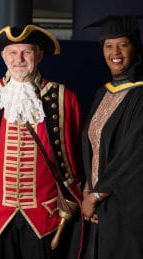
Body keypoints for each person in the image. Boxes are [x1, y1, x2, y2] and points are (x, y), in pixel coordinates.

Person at [0, 24, 83, 259]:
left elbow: (77, 156)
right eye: (12, 52)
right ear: (3, 56)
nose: (19, 59)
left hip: (45, 216)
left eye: (27, 52)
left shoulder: (64, 98)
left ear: (39, 55)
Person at [81, 15, 143, 258]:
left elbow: (134, 154)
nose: (115, 52)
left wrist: (96, 195)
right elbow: (94, 147)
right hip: (99, 206)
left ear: (135, 48)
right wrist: (87, 189)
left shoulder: (140, 95)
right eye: (108, 45)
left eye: (122, 44)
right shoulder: (102, 93)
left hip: (126, 206)